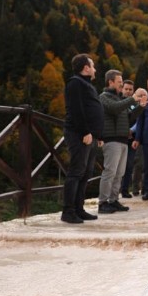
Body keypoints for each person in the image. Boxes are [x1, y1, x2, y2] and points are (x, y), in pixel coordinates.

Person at [61, 54, 103, 224]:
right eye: (92, 66)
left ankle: (78, 209)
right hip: (79, 134)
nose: (94, 69)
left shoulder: (86, 84)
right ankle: (68, 211)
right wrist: (85, 131)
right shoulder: (75, 83)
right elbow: (76, 109)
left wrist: (98, 135)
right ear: (86, 68)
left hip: (90, 136)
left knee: (85, 173)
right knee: (76, 171)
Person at [99, 70, 147, 214]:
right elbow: (114, 109)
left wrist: (141, 106)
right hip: (111, 139)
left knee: (119, 173)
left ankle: (113, 201)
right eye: (119, 82)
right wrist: (133, 98)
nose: (121, 85)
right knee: (110, 172)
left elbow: (130, 117)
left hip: (122, 139)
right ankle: (102, 203)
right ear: (110, 82)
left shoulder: (120, 99)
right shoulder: (104, 97)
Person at [120, 80, 139, 198]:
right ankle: (113, 191)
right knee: (117, 166)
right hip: (118, 138)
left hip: (132, 139)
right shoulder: (117, 101)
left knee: (129, 165)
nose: (128, 91)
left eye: (130, 89)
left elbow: (139, 120)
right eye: (126, 89)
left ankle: (125, 190)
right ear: (122, 89)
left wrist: (131, 130)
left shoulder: (135, 104)